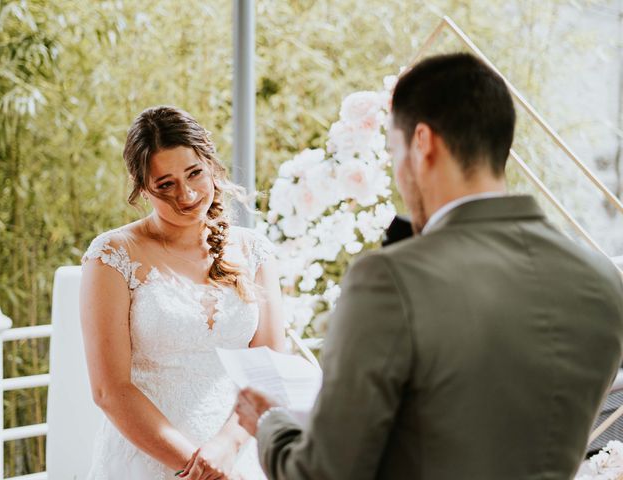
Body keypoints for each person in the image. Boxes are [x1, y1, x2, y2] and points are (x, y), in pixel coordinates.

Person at [234, 53, 623, 479]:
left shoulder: (390, 279)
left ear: (422, 142)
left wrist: (273, 426)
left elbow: (324, 473)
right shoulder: (602, 281)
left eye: (393, 150)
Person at [80, 105, 285, 479]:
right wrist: (198, 467)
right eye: (165, 184)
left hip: (240, 453)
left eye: (195, 174)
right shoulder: (112, 256)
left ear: (211, 164)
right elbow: (110, 390)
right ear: (142, 187)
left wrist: (226, 449)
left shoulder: (254, 250)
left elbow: (268, 368)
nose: (187, 194)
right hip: (147, 459)